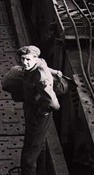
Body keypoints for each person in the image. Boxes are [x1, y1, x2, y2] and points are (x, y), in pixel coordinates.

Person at [15, 46, 60, 175]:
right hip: (33, 112)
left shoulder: (40, 78)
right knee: (39, 145)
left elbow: (54, 104)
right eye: (23, 59)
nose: (24, 63)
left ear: (35, 58)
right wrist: (55, 72)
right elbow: (43, 65)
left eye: (28, 59)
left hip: (37, 117)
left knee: (28, 157)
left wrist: (41, 113)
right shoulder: (38, 63)